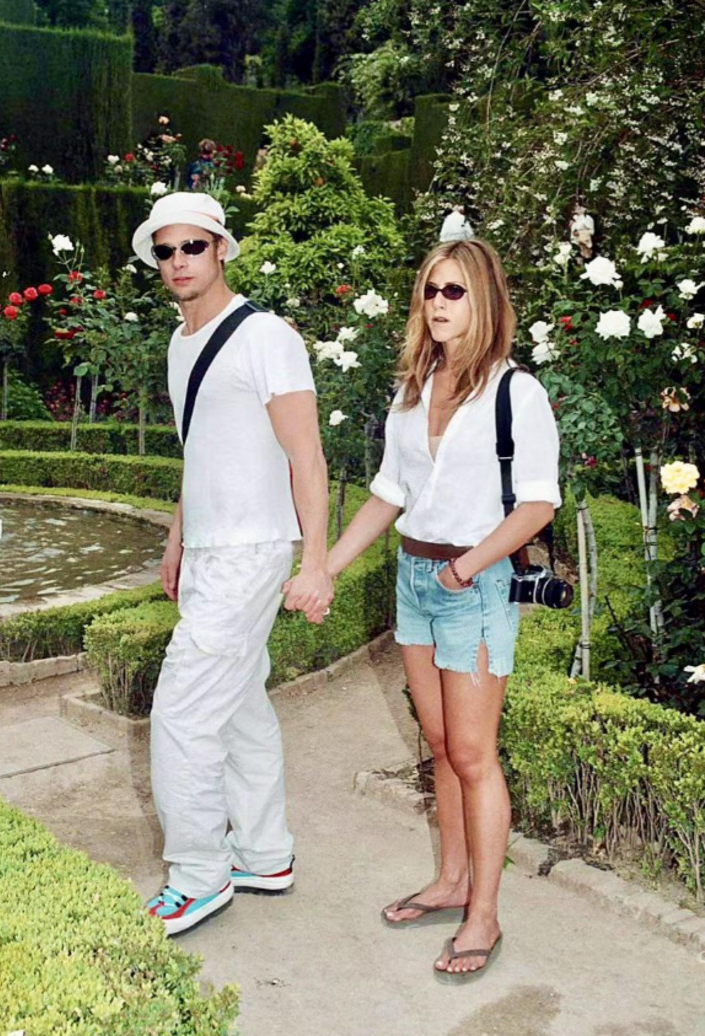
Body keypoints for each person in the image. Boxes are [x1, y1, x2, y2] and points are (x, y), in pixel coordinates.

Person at [326, 237, 561, 981]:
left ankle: (484, 914)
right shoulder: (412, 389)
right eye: (429, 290)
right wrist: (326, 566)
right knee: (437, 740)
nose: (436, 303)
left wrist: (467, 566)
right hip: (414, 575)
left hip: (474, 584)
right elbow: (390, 492)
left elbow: (538, 504)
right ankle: (453, 879)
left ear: (483, 299)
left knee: (472, 753)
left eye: (453, 291)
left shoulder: (515, 393)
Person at [131, 192, 333, 935]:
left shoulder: (265, 336)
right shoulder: (182, 342)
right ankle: (263, 852)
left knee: (182, 712)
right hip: (212, 550)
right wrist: (177, 538)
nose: (179, 260)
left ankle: (197, 875)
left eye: (193, 246)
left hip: (254, 551)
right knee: (240, 704)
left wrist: (316, 562)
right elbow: (201, 454)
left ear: (223, 249)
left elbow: (307, 454)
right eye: (166, 249)